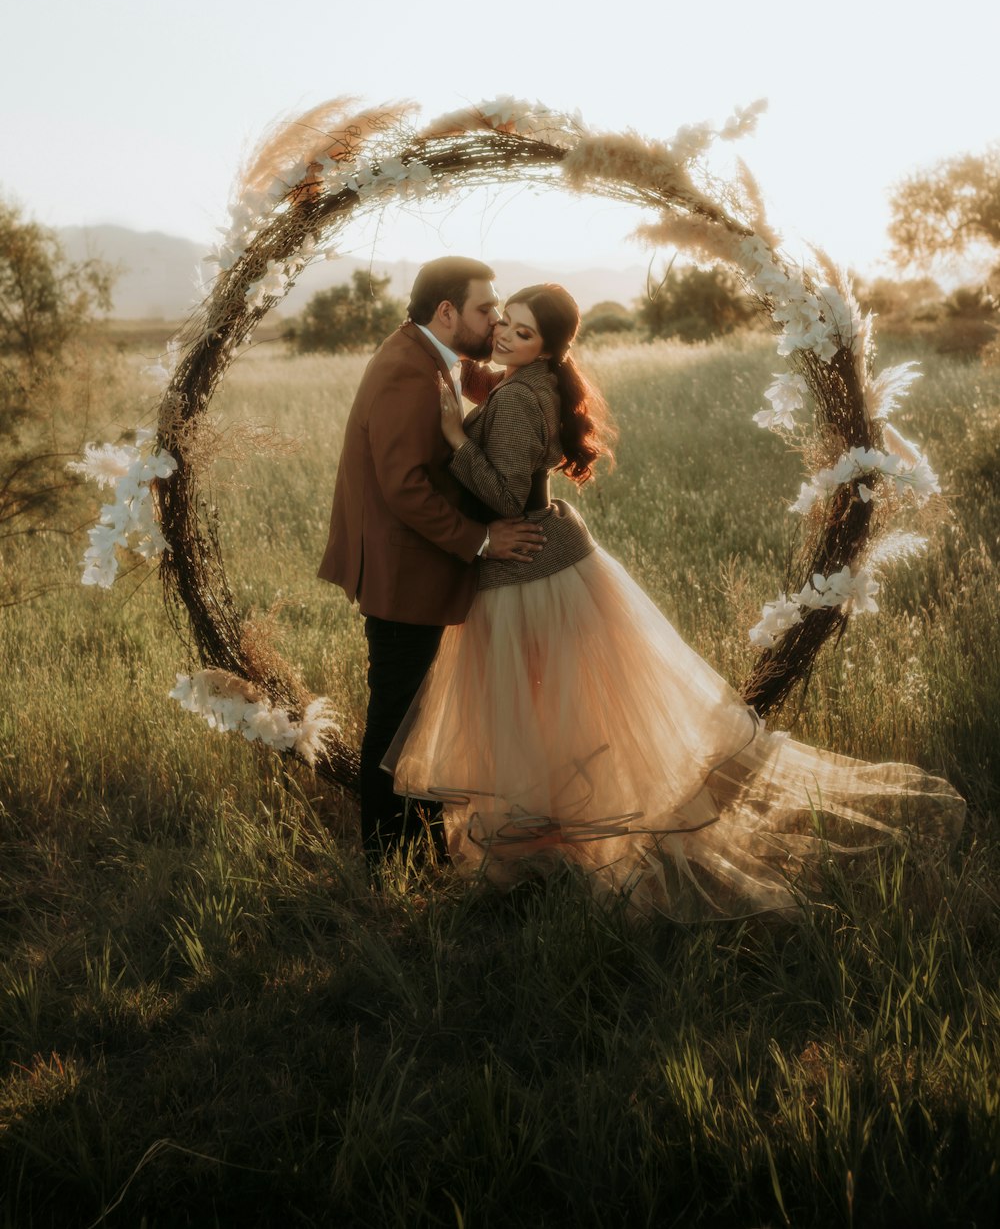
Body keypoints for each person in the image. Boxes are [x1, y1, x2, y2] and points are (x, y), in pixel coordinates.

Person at [383, 284, 965, 920]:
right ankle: (556, 838)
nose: (503, 336)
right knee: (559, 710)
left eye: (521, 332)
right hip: (547, 559)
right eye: (504, 323)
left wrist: (451, 431)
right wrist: (465, 375)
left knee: (531, 713)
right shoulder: (533, 380)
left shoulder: (522, 394)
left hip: (524, 568)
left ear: (546, 348)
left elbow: (499, 492)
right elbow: (505, 410)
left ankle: (548, 850)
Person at [317, 257, 545, 868]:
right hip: (402, 574)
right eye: (484, 308)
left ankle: (417, 851)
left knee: (415, 717)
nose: (494, 319)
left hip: (415, 568)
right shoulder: (405, 372)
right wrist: (482, 541)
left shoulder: (430, 357)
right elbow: (404, 486)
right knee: (398, 720)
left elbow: (478, 379)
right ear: (446, 312)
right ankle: (387, 862)